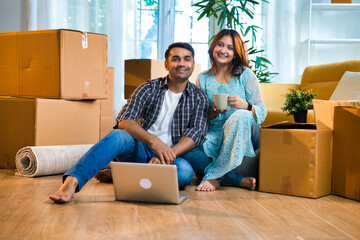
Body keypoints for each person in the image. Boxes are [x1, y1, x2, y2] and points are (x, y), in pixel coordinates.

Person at [49, 42, 209, 203]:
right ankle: (72, 181)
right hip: (142, 148)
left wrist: (167, 155)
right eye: (175, 59)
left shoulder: (199, 96)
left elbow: (196, 133)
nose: (182, 63)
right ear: (166, 64)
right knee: (118, 136)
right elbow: (124, 120)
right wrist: (154, 141)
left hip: (172, 155)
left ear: (193, 65)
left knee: (184, 173)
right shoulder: (148, 88)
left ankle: (123, 175)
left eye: (187, 59)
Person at [194, 29, 267, 191]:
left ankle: (216, 176)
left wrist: (246, 106)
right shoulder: (203, 78)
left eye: (230, 48)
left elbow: (262, 111)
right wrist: (212, 113)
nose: (223, 51)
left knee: (241, 115)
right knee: (187, 146)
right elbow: (200, 117)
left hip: (247, 130)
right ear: (213, 47)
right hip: (215, 134)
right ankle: (236, 180)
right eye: (220, 45)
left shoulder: (245, 75)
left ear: (235, 53)